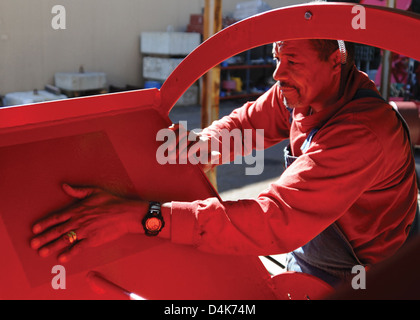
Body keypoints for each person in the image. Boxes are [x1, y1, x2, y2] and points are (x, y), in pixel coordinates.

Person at [30, 39, 418, 288]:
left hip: (358, 277)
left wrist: (142, 217)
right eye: (276, 59)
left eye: (293, 62)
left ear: (336, 60)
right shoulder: (304, 91)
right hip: (310, 253)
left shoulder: (361, 133)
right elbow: (247, 125)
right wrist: (201, 146)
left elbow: (274, 218)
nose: (278, 75)